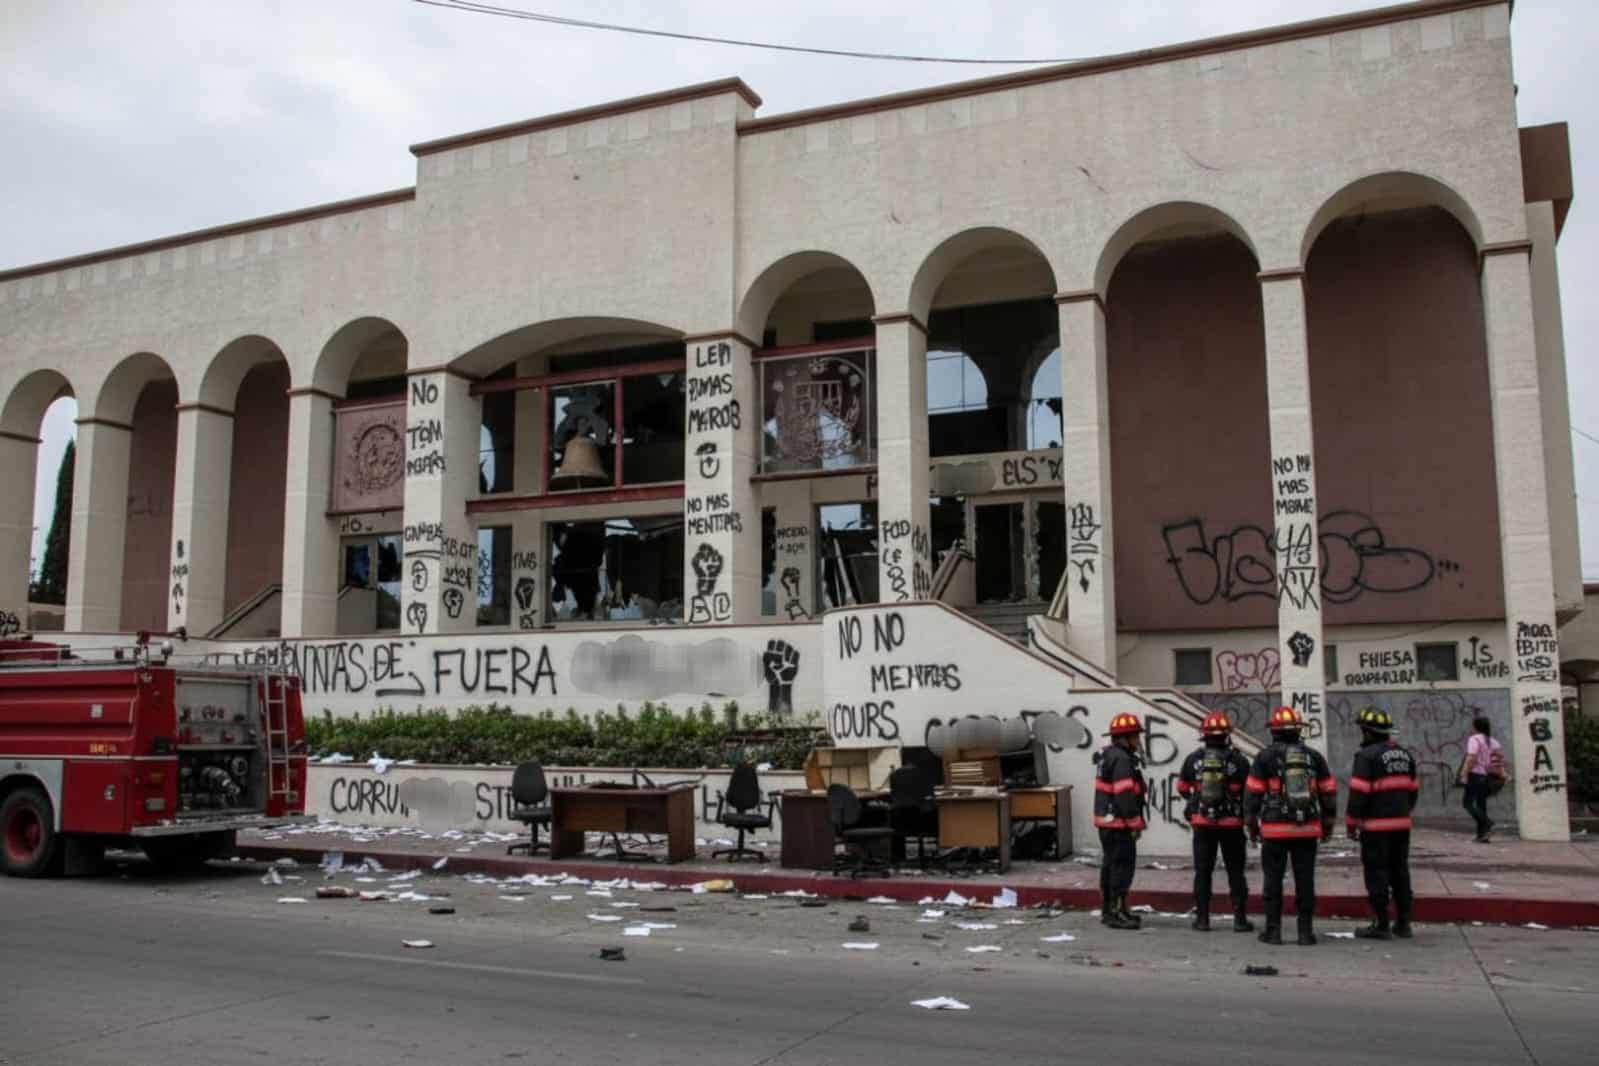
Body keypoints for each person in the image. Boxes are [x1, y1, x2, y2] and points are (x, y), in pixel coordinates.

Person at [1246, 706, 1337, 946]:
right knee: (1305, 880)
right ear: (1299, 731)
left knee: (1273, 879)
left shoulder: (1264, 757)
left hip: (1274, 829)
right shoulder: (1314, 757)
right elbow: (1328, 794)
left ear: (1274, 732)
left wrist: (1252, 828)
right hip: (1307, 828)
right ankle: (1305, 933)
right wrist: (1327, 826)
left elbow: (1253, 796)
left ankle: (1273, 932)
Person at [1177, 711, 1254, 932]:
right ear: (1227, 736)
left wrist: (1198, 800)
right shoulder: (1239, 760)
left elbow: (1182, 788)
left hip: (1203, 824)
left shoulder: (1193, 759)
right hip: (1232, 825)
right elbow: (1249, 792)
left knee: (1203, 872)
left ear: (1204, 735)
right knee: (1236, 872)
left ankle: (1202, 919)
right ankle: (1239, 919)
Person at [1347, 707, 1419, 940]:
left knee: (1377, 872)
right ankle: (1404, 923)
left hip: (1376, 827)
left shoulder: (1366, 756)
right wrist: (1403, 813)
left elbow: (1359, 793)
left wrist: (1351, 822)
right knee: (1400, 871)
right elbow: (1413, 791)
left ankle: (1381, 923)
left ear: (1367, 732)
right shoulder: (1405, 755)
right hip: (1401, 825)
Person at [1095, 713, 1148, 931]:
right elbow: (1124, 794)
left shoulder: (1109, 755)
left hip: (1108, 823)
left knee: (1110, 866)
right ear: (1125, 737)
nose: (1138, 740)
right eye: (1135, 736)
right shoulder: (1122, 759)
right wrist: (1135, 822)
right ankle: (1116, 912)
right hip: (1119, 824)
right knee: (1121, 868)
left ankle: (1111, 910)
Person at [1457, 717, 1504, 843]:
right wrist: (1501, 773)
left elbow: (1471, 757)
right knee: (1481, 805)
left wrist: (1464, 773)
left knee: (1467, 804)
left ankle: (1487, 823)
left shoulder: (1474, 739)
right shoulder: (1494, 741)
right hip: (1487, 777)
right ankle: (1482, 836)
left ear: (1476, 726)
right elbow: (1499, 758)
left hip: (1475, 775)